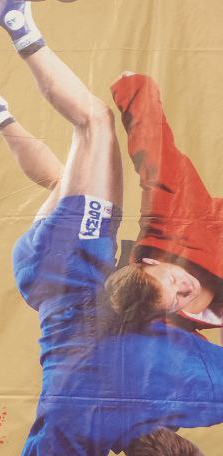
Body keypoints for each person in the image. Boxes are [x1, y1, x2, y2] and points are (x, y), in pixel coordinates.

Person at [0, 0, 221, 456]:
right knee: (59, 180)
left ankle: (15, 22)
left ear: (185, 442)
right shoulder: (75, 443)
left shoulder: (200, 390)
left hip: (73, 262)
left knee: (94, 123)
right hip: (38, 279)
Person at [104, 73, 223, 330]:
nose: (186, 288)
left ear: (151, 262)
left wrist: (134, 90)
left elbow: (155, 155)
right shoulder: (172, 327)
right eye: (175, 300)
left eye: (172, 280)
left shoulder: (169, 222)